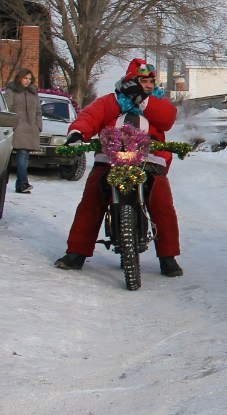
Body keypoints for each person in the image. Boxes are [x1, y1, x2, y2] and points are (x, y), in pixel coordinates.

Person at [54, 59, 184, 276]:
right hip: (110, 158)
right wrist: (77, 133)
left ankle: (168, 257)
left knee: (162, 204)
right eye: (143, 80)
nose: (149, 85)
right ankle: (77, 252)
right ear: (130, 80)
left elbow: (168, 119)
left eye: (152, 81)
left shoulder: (158, 102)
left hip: (149, 160)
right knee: (91, 201)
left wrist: (143, 100)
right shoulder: (111, 100)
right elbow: (90, 117)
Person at [4, 67, 41, 194]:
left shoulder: (33, 93)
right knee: (21, 156)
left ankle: (21, 185)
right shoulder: (11, 91)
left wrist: (38, 126)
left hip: (31, 129)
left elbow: (38, 112)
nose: (28, 81)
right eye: (25, 78)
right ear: (20, 77)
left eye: (30, 79)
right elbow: (7, 109)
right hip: (17, 128)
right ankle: (22, 183)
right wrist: (10, 125)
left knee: (24, 156)